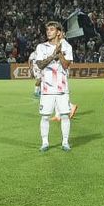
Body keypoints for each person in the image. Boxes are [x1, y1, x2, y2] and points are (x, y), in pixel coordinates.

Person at [30, 21, 74, 151]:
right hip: (47, 88)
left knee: (65, 115)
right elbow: (40, 65)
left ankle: (65, 142)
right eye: (47, 30)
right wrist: (53, 55)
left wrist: (59, 53)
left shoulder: (67, 46)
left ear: (59, 32)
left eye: (51, 29)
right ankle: (45, 142)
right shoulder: (41, 47)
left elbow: (66, 65)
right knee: (45, 116)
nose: (48, 32)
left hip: (62, 88)